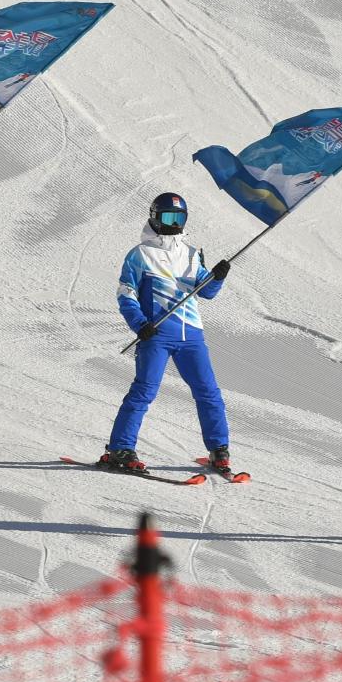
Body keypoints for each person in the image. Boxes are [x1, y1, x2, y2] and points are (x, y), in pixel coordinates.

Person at [99, 193, 234, 475]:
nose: (174, 225)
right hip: (157, 335)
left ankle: (219, 449)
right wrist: (139, 324)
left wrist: (217, 277)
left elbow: (206, 292)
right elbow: (126, 294)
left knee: (208, 391)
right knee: (144, 391)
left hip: (191, 335)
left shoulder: (191, 253)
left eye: (179, 219)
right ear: (154, 218)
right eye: (168, 218)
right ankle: (120, 448)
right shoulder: (140, 254)